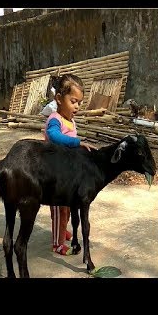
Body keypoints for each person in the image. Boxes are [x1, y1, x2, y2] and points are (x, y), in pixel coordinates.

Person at [44, 73, 97, 255]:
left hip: (68, 175)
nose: (77, 106)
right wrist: (76, 143)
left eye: (80, 102)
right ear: (59, 99)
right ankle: (57, 244)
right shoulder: (54, 120)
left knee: (67, 209)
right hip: (55, 176)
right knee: (59, 211)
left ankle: (62, 231)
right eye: (73, 101)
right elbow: (54, 136)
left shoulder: (71, 121)